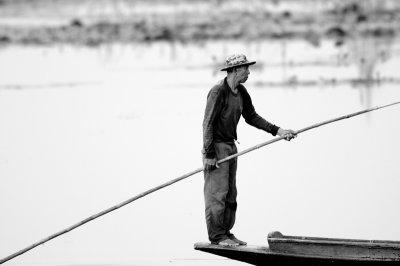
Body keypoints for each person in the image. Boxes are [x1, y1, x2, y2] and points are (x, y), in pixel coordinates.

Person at [202, 54, 296, 247]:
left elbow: (251, 116)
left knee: (230, 194)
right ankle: (217, 237)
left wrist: (278, 131)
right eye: (246, 68)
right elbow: (208, 124)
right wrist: (209, 154)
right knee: (217, 194)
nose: (249, 72)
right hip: (216, 148)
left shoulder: (241, 92)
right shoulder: (218, 92)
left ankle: (226, 232)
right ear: (236, 70)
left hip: (230, 146)